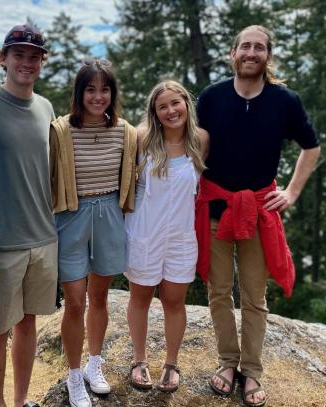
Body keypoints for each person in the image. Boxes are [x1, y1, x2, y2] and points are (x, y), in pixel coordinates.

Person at [195, 25, 321, 407]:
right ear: (233, 53)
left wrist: (293, 191)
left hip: (259, 212)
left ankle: (251, 371)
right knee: (218, 292)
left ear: (268, 56)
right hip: (216, 207)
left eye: (259, 47)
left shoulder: (285, 101)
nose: (252, 52)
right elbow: (194, 147)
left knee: (254, 296)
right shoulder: (212, 97)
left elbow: (311, 148)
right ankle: (227, 363)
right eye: (245, 46)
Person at [0, 24, 57, 407]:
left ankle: (20, 402)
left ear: (42, 63)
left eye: (34, 56)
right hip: (1, 241)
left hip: (43, 236)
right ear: (2, 58)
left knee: (28, 324)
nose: (26, 62)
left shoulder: (46, 107)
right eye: (18, 54)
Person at [49, 58, 138, 407]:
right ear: (79, 92)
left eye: (104, 89)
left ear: (112, 93)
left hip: (111, 215)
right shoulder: (61, 131)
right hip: (71, 216)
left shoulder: (126, 132)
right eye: (90, 89)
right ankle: (73, 376)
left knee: (99, 298)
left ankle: (93, 364)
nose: (98, 96)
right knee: (74, 301)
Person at [125, 80, 209, 393]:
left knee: (175, 301)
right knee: (141, 297)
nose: (171, 111)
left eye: (176, 103)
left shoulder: (201, 140)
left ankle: (171, 363)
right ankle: (139, 359)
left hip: (181, 236)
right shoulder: (142, 138)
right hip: (144, 231)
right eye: (163, 106)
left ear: (187, 104)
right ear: (155, 113)